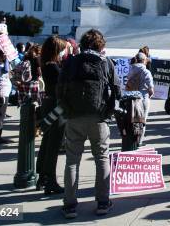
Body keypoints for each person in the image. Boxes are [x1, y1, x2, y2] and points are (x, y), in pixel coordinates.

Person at [57, 29, 121, 219]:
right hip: (98, 117)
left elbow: (59, 90)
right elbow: (117, 91)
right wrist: (108, 113)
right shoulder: (106, 62)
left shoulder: (71, 62)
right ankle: (102, 202)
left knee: (72, 161)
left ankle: (69, 205)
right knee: (101, 158)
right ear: (101, 45)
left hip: (74, 116)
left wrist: (66, 110)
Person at [36, 35, 67, 194]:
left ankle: (42, 175)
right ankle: (50, 179)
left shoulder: (46, 64)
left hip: (49, 104)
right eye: (62, 50)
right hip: (56, 106)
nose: (63, 53)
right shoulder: (54, 67)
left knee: (47, 142)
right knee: (54, 144)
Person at [125, 52, 154, 135]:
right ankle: (139, 141)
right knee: (142, 120)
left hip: (131, 98)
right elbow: (151, 89)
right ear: (144, 60)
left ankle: (131, 138)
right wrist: (150, 95)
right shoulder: (146, 72)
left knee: (131, 119)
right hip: (143, 97)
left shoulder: (131, 69)